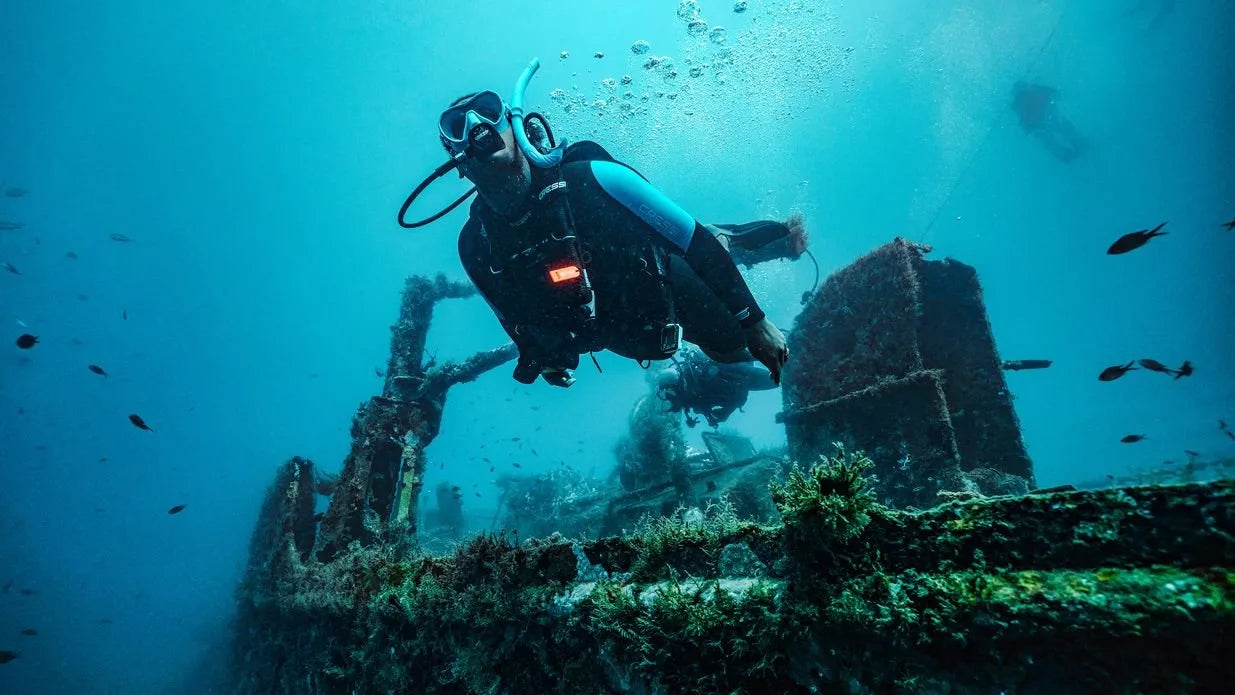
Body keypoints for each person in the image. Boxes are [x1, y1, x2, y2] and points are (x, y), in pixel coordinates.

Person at [415, 66, 800, 389]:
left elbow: (693, 243)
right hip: (620, 331)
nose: (477, 126)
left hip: (668, 280)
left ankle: (738, 237)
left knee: (735, 349)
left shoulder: (594, 180)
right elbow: (514, 320)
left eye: (487, 111)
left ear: (514, 124)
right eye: (456, 126)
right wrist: (547, 359)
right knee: (733, 371)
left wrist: (756, 320)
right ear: (457, 161)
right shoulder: (476, 247)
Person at [655, 346, 779, 427]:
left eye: (670, 392)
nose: (669, 397)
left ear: (679, 384)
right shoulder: (686, 396)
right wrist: (716, 416)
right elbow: (704, 404)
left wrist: (726, 412)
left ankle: (777, 348)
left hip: (737, 366)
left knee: (777, 378)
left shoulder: (704, 375)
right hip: (738, 377)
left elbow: (740, 393)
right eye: (666, 394)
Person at [1010, 80, 1087, 163]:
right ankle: (1073, 149)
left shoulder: (1018, 101)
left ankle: (1069, 153)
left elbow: (1057, 94)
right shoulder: (1035, 90)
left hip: (1041, 123)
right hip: (1043, 121)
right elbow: (1058, 95)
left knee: (1052, 139)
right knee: (1060, 131)